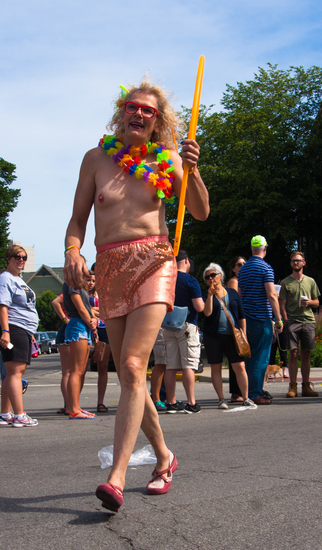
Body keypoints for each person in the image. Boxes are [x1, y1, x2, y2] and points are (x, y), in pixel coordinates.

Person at [63, 79, 209, 512]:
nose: (139, 114)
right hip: (108, 268)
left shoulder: (168, 161)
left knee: (131, 363)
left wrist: (193, 168)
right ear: (121, 113)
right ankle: (165, 458)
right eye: (132, 106)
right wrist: (73, 250)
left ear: (157, 120)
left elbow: (199, 211)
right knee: (131, 377)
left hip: (155, 261)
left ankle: (117, 477)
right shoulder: (95, 159)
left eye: (148, 110)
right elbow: (77, 221)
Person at [202, 263, 255, 409]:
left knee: (240, 366)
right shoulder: (206, 294)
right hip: (213, 336)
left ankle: (246, 397)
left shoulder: (232, 293)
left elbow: (241, 315)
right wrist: (210, 295)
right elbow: (207, 313)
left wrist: (243, 334)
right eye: (207, 277)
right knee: (216, 367)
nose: (210, 278)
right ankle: (221, 399)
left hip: (233, 336)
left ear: (220, 275)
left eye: (213, 275)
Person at [238, 235, 283, 405]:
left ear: (251, 249)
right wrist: (278, 320)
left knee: (249, 357)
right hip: (261, 316)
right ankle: (255, 393)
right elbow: (271, 294)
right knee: (260, 357)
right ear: (265, 248)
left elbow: (240, 295)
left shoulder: (243, 269)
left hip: (246, 318)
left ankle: (248, 391)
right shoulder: (266, 268)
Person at [0, 245, 39, 427]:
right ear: (8, 258)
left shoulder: (19, 280)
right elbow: (3, 306)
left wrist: (30, 333)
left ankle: (5, 413)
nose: (21, 259)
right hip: (14, 328)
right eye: (17, 256)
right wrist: (6, 332)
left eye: (23, 257)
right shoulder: (5, 278)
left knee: (12, 373)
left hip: (23, 330)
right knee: (16, 372)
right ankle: (19, 415)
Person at [162, 250, 204, 413]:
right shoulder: (190, 281)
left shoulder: (166, 279)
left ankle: (171, 402)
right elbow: (199, 307)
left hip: (168, 324)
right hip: (187, 325)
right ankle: (191, 402)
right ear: (186, 261)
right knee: (188, 364)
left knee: (171, 365)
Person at [279, 251, 320, 398]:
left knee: (306, 353)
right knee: (293, 353)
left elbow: (317, 302)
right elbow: (281, 304)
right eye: (293, 261)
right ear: (291, 263)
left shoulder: (311, 281)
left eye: (299, 260)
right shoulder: (285, 282)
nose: (296, 263)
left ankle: (306, 385)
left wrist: (310, 302)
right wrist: (285, 319)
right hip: (293, 321)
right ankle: (293, 386)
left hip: (308, 320)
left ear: (304, 263)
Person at [63, 256, 98, 419]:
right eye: (83, 264)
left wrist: (93, 323)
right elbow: (81, 308)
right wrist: (90, 322)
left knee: (81, 370)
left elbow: (88, 308)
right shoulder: (72, 284)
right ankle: (73, 409)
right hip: (77, 325)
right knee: (75, 370)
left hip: (83, 326)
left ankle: (76, 407)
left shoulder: (80, 285)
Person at [87, 270, 111, 412]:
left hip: (105, 329)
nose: (91, 283)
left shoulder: (104, 292)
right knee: (82, 368)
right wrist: (96, 311)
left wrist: (93, 310)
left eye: (94, 281)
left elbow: (107, 309)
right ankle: (73, 403)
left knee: (103, 366)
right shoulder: (82, 293)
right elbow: (84, 309)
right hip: (88, 329)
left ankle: (100, 402)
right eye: (89, 280)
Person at [226, 256, 246, 401]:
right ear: (233, 268)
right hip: (235, 323)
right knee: (237, 356)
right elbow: (234, 304)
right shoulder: (234, 282)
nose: (241, 266)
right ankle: (236, 392)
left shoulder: (244, 281)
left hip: (243, 320)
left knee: (241, 356)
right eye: (238, 264)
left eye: (244, 264)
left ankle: (241, 390)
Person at [52, 293, 71, 414]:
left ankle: (72, 404)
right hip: (67, 331)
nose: (90, 282)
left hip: (79, 330)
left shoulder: (85, 293)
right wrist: (64, 319)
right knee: (68, 372)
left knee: (76, 372)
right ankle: (69, 405)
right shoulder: (71, 290)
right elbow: (55, 302)